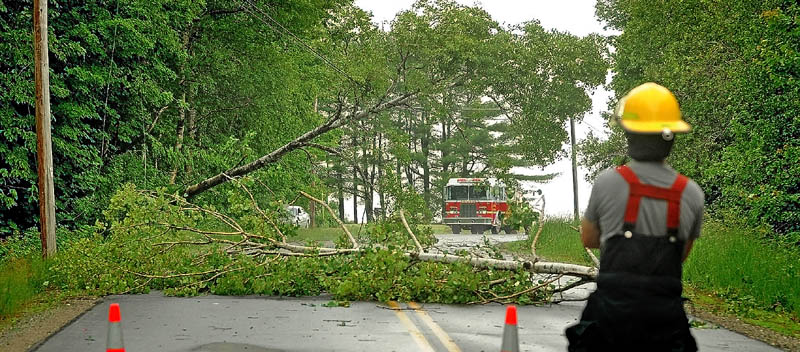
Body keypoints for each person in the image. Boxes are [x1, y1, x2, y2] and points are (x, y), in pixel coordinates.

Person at [565, 82, 705, 351]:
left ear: (629, 134)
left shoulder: (607, 182)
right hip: (665, 320)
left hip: (611, 318)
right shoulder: (691, 193)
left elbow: (588, 238)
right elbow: (682, 254)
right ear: (671, 136)